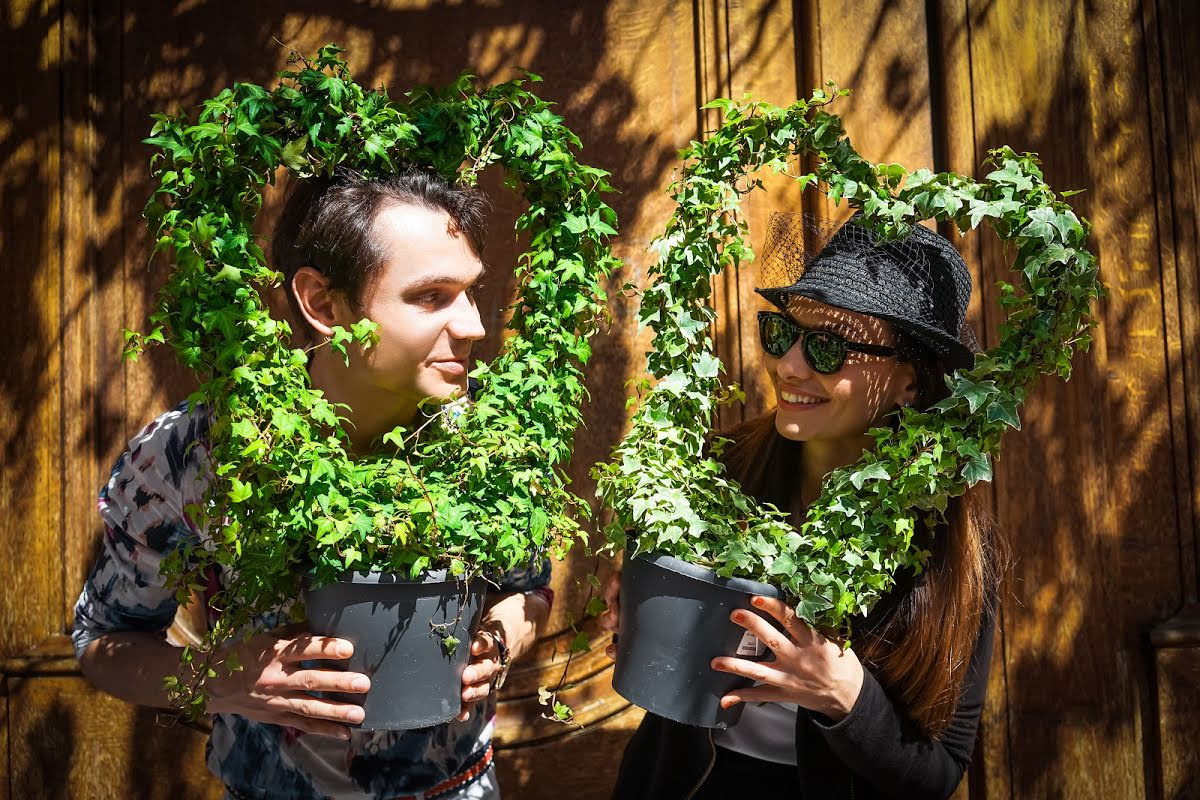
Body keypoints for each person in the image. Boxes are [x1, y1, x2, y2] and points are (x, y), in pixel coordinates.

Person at [73, 169, 554, 800]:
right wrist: (223, 679)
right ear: (324, 304)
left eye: (470, 292)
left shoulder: (494, 438)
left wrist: (500, 639)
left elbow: (530, 591)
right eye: (431, 297)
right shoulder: (199, 452)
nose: (473, 327)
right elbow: (102, 643)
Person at [603, 212, 1005, 800]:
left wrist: (847, 697)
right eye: (781, 333)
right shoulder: (716, 471)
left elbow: (939, 773)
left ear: (910, 382)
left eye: (827, 346)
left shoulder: (952, 546)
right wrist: (643, 606)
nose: (789, 366)